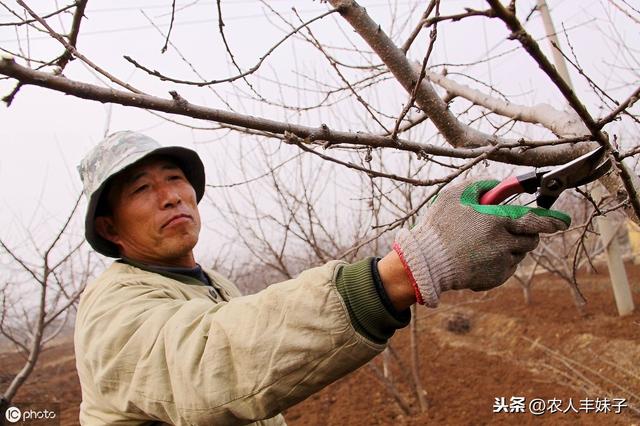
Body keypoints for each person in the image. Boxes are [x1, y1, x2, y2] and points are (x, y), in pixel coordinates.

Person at [74, 131, 570, 425]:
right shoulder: (112, 307)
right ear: (109, 226)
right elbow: (209, 361)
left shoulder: (209, 283)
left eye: (175, 178)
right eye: (142, 187)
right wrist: (410, 268)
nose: (171, 196)